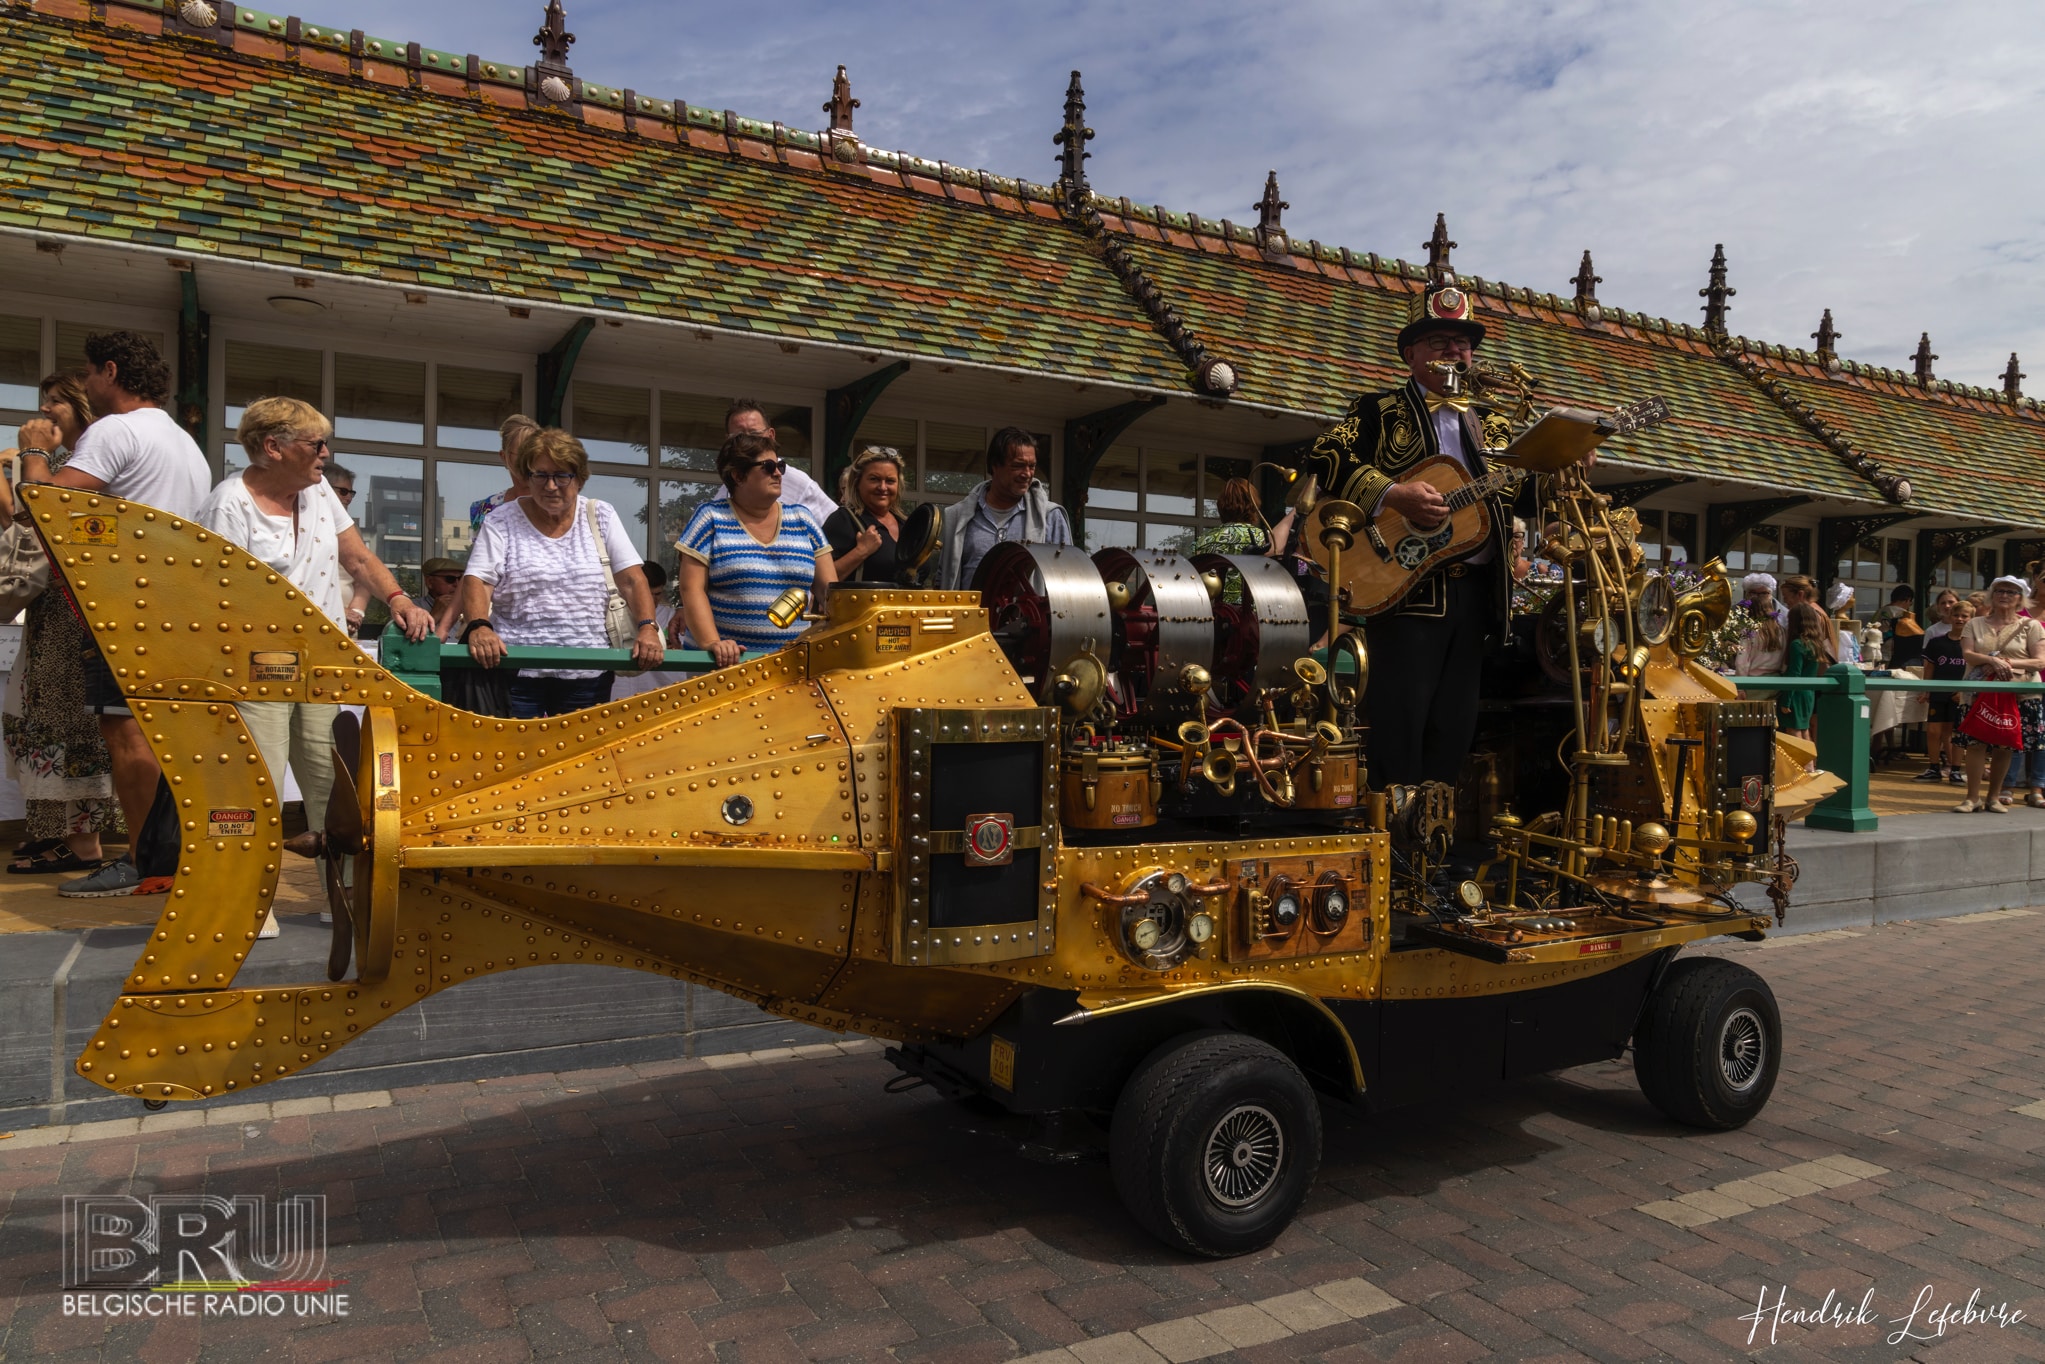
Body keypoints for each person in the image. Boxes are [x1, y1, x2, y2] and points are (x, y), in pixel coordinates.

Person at [198, 397, 436, 934]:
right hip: (255, 665)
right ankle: (248, 905)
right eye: (315, 443)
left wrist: (398, 600)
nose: (326, 454)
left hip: (322, 659)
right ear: (272, 447)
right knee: (253, 782)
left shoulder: (318, 490)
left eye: (326, 442)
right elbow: (215, 596)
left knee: (336, 782)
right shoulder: (228, 504)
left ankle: (347, 894)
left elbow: (356, 557)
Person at [1297, 283, 1527, 787]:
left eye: (1463, 343)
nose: (1455, 351)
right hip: (1405, 595)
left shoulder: (1496, 425)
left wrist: (1567, 458)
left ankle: (1433, 847)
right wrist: (1392, 495)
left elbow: (1525, 496)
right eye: (1440, 340)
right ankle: (1393, 849)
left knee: (1454, 731)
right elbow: (1323, 458)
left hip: (1480, 598)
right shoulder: (1379, 410)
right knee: (1401, 728)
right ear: (1411, 355)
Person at [14, 332, 210, 898]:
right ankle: (166, 859)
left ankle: (147, 862)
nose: (83, 385)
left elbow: (43, 510)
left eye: (89, 373)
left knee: (128, 736)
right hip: (174, 606)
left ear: (111, 370)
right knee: (158, 736)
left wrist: (33, 448)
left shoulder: (115, 429)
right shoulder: (181, 440)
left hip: (129, 608)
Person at [0, 374, 122, 875]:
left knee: (72, 727)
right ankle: (53, 831)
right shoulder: (66, 465)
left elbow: (42, 521)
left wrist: (37, 458)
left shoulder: (83, 469)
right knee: (41, 722)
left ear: (81, 409)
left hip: (76, 616)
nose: (45, 411)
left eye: (56, 402)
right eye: (42, 400)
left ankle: (84, 844)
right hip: (55, 616)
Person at [459, 428, 664, 716]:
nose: (550, 485)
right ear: (527, 477)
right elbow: (478, 580)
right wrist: (479, 627)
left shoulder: (600, 515)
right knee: (516, 757)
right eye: (540, 475)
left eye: (561, 475)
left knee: (581, 759)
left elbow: (631, 579)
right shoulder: (501, 520)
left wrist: (648, 628)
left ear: (579, 478)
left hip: (588, 671)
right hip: (514, 669)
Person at [674, 431, 837, 667]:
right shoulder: (710, 517)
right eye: (768, 466)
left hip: (793, 665)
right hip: (724, 666)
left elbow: (831, 593)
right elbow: (691, 590)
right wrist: (712, 643)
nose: (778, 473)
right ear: (738, 475)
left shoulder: (803, 519)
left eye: (780, 465)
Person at [938, 427, 1074, 592]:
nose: (1027, 474)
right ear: (995, 465)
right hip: (971, 616)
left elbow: (1068, 580)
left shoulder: (1050, 517)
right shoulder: (958, 517)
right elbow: (942, 578)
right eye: (1018, 465)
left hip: (1029, 618)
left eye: (1032, 466)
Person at [1952, 576, 2045, 813]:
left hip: (2018, 694)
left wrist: (2007, 662)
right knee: (1975, 745)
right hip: (1978, 692)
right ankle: (1972, 798)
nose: (2004, 595)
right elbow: (1968, 654)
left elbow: (2040, 661)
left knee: (2005, 745)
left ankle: (1994, 797)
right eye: (2000, 591)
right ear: (1991, 595)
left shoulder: (2031, 625)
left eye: (2011, 592)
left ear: (2020, 598)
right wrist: (1992, 660)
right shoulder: (1975, 623)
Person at [710, 400, 838, 527]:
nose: (747, 442)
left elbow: (840, 533)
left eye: (755, 434)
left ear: (771, 435)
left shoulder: (800, 485)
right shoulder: (720, 498)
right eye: (738, 436)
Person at [824, 446, 909, 584]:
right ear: (857, 483)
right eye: (874, 479)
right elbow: (819, 581)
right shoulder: (843, 520)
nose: (882, 487)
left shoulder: (906, 524)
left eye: (890, 481)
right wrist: (861, 551)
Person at [1920, 599, 1972, 784]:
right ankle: (1933, 767)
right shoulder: (1936, 642)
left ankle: (1955, 769)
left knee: (1956, 733)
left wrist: (1963, 691)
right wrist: (1926, 690)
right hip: (1938, 691)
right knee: (1934, 731)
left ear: (1971, 619)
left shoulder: (1973, 645)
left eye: (1964, 616)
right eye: (1956, 615)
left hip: (1961, 694)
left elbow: (1974, 671)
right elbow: (1929, 668)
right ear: (1949, 617)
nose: (1959, 619)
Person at [608, 562, 677, 700]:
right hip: (616, 696)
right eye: (647, 593)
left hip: (660, 696)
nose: (651, 599)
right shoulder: (613, 617)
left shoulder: (673, 619)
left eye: (657, 594)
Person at [468, 414, 541, 531]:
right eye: (522, 454)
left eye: (534, 454)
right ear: (504, 457)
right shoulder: (485, 510)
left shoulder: (556, 505)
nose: (528, 462)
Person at [1778, 602, 1834, 740]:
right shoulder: (1816, 644)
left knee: (1794, 733)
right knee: (1804, 731)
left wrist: (1786, 701)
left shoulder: (1797, 644)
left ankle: (1802, 763)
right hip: (1809, 694)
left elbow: (1794, 674)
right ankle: (1810, 762)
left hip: (1795, 695)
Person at [417, 556, 464, 637]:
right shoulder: (413, 608)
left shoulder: (466, 609)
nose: (457, 584)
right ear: (430, 582)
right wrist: (434, 616)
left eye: (460, 579)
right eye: (450, 579)